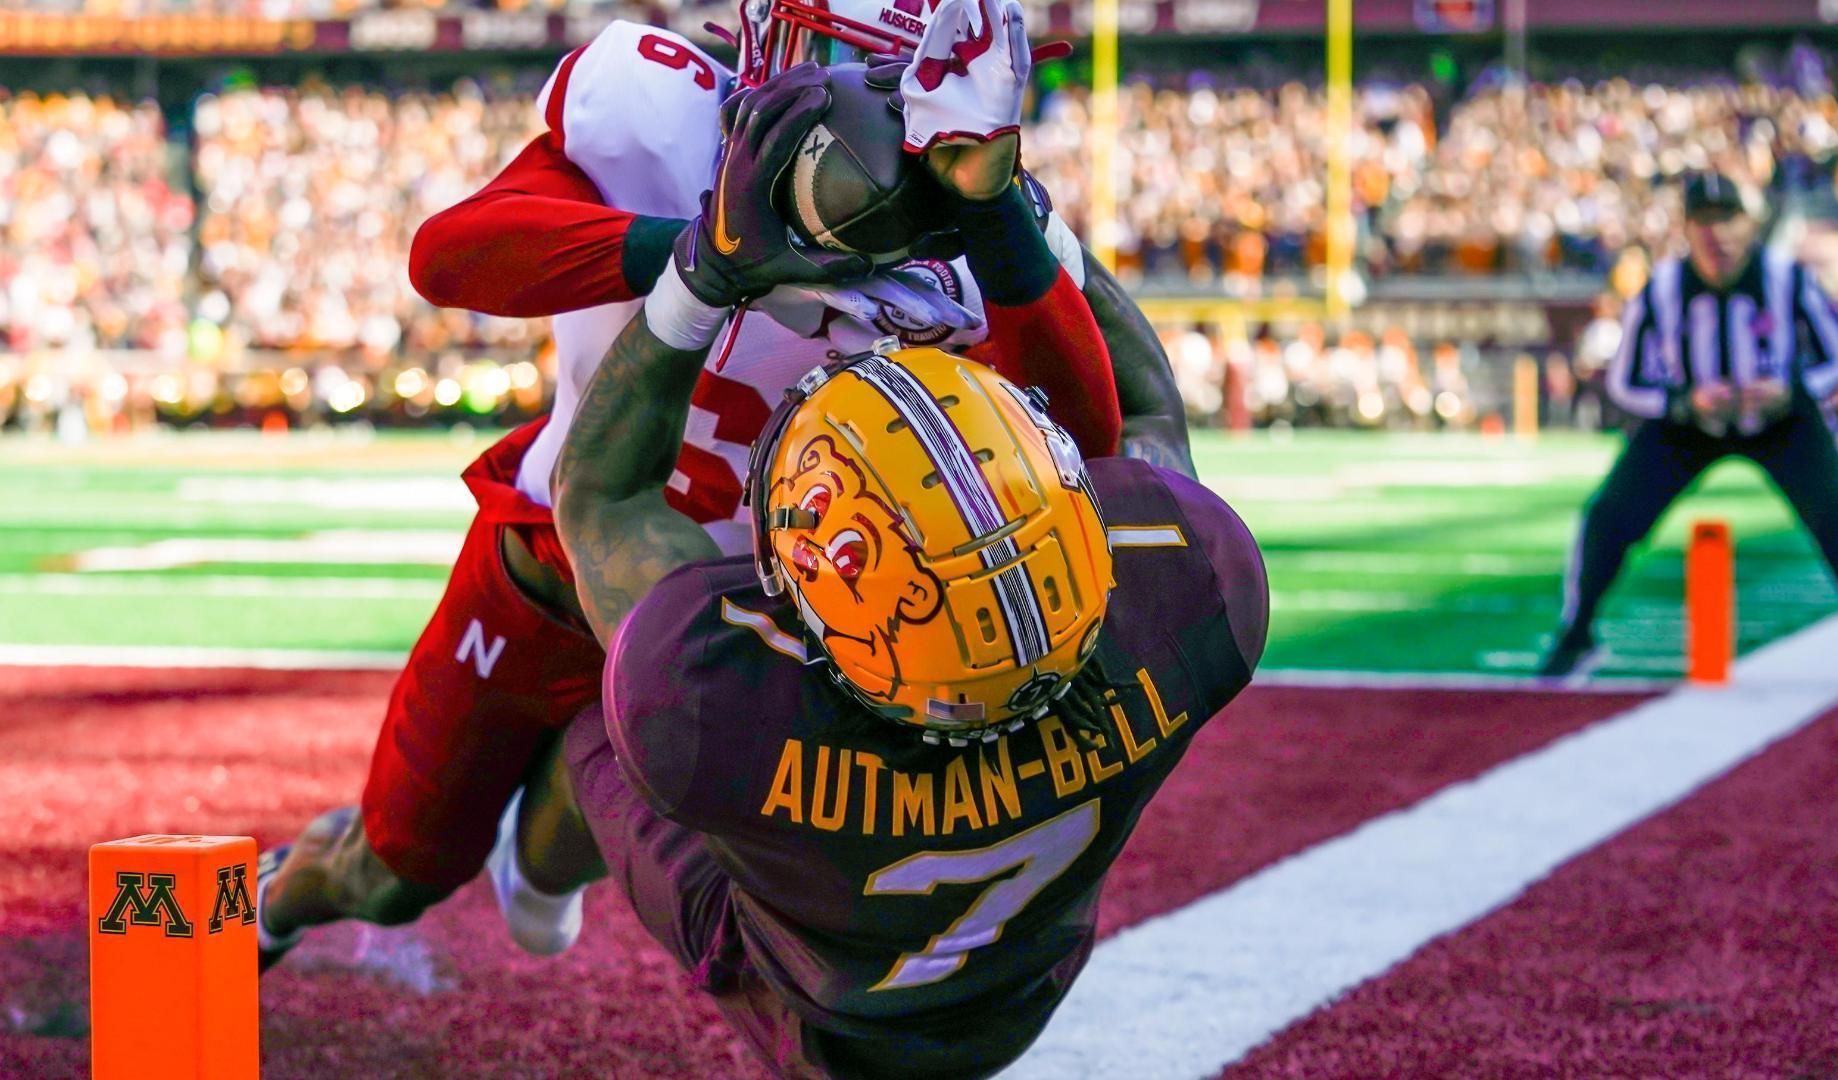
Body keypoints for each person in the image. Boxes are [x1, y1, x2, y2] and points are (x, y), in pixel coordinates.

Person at [254, 1, 1177, 968]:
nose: (894, 114)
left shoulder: (979, 222)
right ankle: (276, 900)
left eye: (919, 82)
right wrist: (699, 254)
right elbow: (447, 257)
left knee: (581, 829)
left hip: (732, 619)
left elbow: (1090, 439)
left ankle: (543, 861)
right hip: (545, 565)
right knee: (397, 872)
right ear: (778, 47)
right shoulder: (667, 115)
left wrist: (998, 224)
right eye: (862, 67)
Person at [511, 71, 1267, 1078]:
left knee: (585, 712)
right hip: (1031, 978)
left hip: (815, 1015)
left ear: (834, 635)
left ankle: (527, 881)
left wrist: (705, 272)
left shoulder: (716, 707)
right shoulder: (1192, 602)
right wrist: (1011, 215)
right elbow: (1150, 415)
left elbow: (597, 498)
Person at [1542, 172, 1838, 693]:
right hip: (1687, 426)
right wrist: (1682, 401)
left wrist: (1792, 390)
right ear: (1687, 228)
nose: (1716, 233)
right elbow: (1625, 380)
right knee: (1608, 515)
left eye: (1727, 218)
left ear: (1750, 223)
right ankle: (1575, 634)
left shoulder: (1789, 279)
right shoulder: (1662, 288)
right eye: (1703, 220)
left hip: (1785, 423)